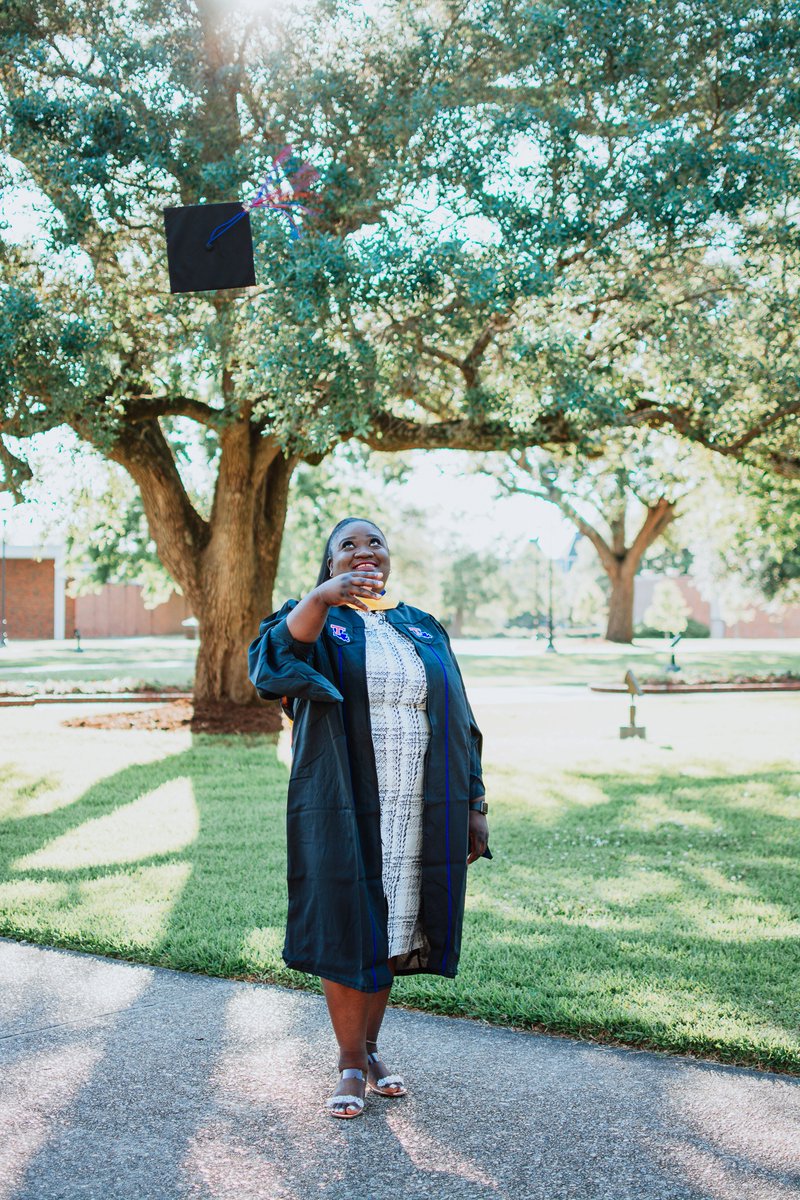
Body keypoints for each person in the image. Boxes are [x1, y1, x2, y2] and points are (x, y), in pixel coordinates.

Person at [247, 516, 490, 1119]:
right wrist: (321, 599)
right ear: (329, 563)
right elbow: (272, 664)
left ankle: (372, 1049)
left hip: (421, 802)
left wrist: (475, 805)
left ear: (389, 555)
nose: (363, 552)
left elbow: (462, 719)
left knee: (395, 924)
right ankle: (349, 1062)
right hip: (343, 800)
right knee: (347, 921)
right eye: (347, 546)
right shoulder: (311, 619)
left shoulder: (422, 627)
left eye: (373, 542)